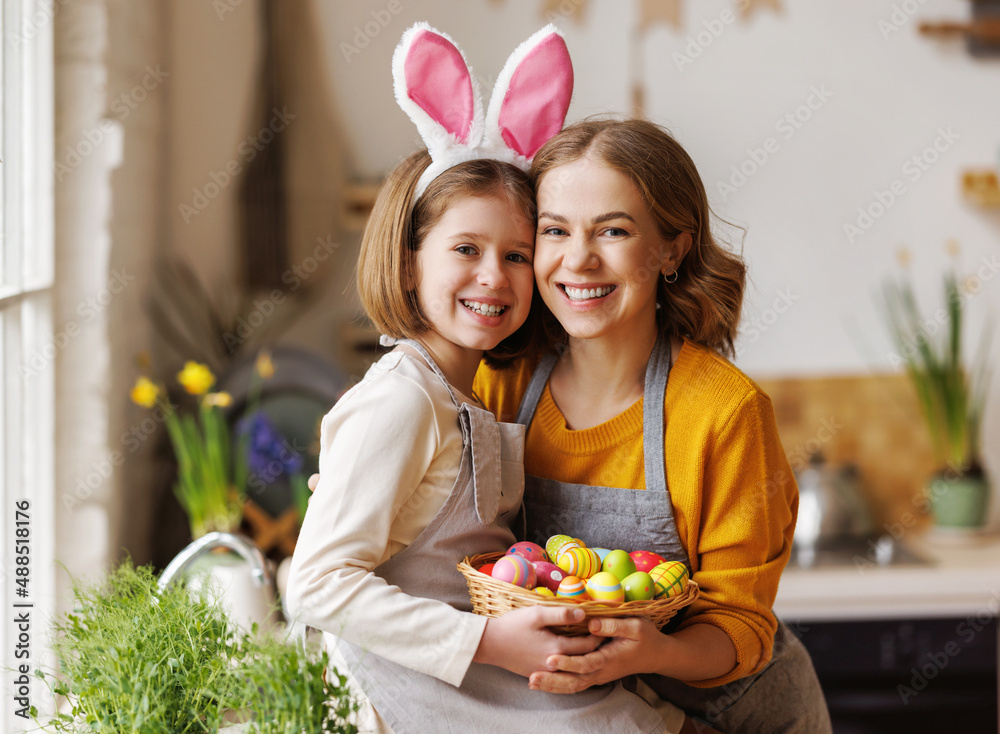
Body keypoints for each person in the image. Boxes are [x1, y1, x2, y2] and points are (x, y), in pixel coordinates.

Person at [286, 24, 669, 734]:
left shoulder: (466, 394)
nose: (494, 276)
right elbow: (313, 584)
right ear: (408, 264)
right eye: (466, 248)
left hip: (478, 673)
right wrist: (492, 639)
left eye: (519, 255)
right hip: (407, 686)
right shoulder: (402, 399)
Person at [473, 117, 832, 733]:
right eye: (555, 230)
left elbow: (740, 623)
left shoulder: (724, 411)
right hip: (583, 714)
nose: (578, 259)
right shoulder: (499, 382)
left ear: (672, 248)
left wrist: (655, 650)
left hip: (734, 717)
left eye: (612, 230)